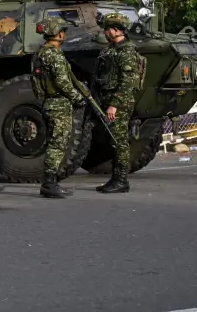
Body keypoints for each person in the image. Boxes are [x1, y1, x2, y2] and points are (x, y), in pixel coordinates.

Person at [30, 17, 86, 199]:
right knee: (58, 144)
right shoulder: (54, 54)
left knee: (54, 142)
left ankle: (50, 182)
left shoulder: (40, 53)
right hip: (59, 103)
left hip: (48, 102)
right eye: (64, 31)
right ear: (59, 33)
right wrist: (78, 98)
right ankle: (49, 183)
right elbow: (62, 82)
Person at [94, 12, 144, 194]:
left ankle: (121, 180)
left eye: (107, 29)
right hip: (108, 99)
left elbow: (128, 81)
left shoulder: (127, 51)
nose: (105, 32)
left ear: (116, 30)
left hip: (119, 102)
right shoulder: (111, 49)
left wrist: (114, 104)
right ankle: (115, 179)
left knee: (119, 142)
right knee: (113, 140)